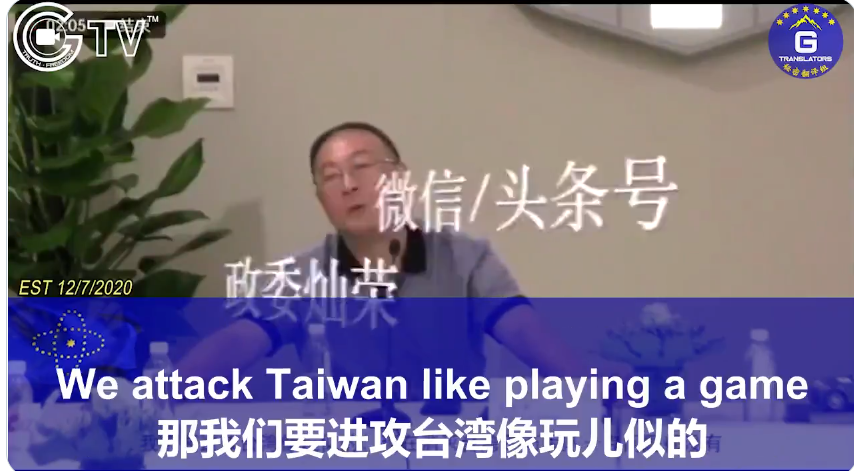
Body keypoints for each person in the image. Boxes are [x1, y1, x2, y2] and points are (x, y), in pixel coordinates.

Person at [178, 122, 579, 390]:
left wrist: (593, 385)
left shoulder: (465, 258)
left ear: (400, 177)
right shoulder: (301, 275)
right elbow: (240, 339)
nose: (348, 185)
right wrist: (167, 392)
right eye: (330, 177)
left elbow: (524, 331)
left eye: (362, 167)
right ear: (321, 200)